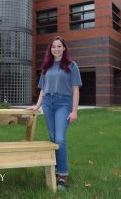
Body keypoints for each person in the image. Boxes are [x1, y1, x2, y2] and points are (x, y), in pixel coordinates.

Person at [29, 36, 82, 189]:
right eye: (53, 47)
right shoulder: (46, 66)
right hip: (48, 103)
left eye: (59, 46)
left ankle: (63, 176)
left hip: (63, 103)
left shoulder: (72, 65)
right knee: (52, 138)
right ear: (50, 49)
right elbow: (43, 89)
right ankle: (57, 167)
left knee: (60, 139)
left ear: (64, 48)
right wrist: (37, 106)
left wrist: (74, 111)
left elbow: (75, 89)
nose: (56, 49)